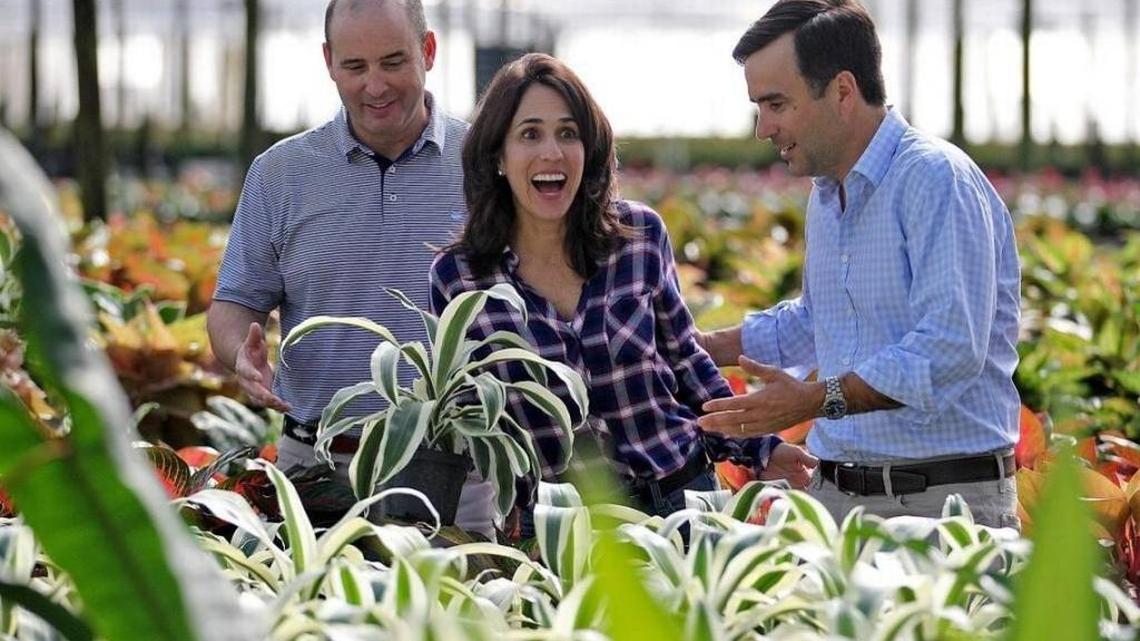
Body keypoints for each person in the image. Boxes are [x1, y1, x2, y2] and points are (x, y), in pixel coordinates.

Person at [429, 53, 818, 523]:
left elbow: (687, 360)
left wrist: (761, 449)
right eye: (530, 134)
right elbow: (467, 418)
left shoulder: (638, 238)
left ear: (588, 148)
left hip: (680, 499)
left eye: (568, 133)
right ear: (497, 156)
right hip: (558, 527)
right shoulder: (461, 277)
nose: (552, 151)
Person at [695, 0, 1022, 529]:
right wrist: (702, 347)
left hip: (940, 505)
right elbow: (819, 319)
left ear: (843, 91)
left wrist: (813, 400)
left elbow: (948, 350)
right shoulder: (828, 195)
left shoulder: (936, 179)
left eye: (776, 104)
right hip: (837, 498)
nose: (763, 128)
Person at [207, 0, 495, 536]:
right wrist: (239, 355)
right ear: (328, 61)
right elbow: (234, 302)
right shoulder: (280, 174)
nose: (375, 86)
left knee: (458, 613)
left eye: (392, 62)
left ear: (427, 52)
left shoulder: (486, 165)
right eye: (355, 67)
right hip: (314, 468)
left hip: (455, 471)